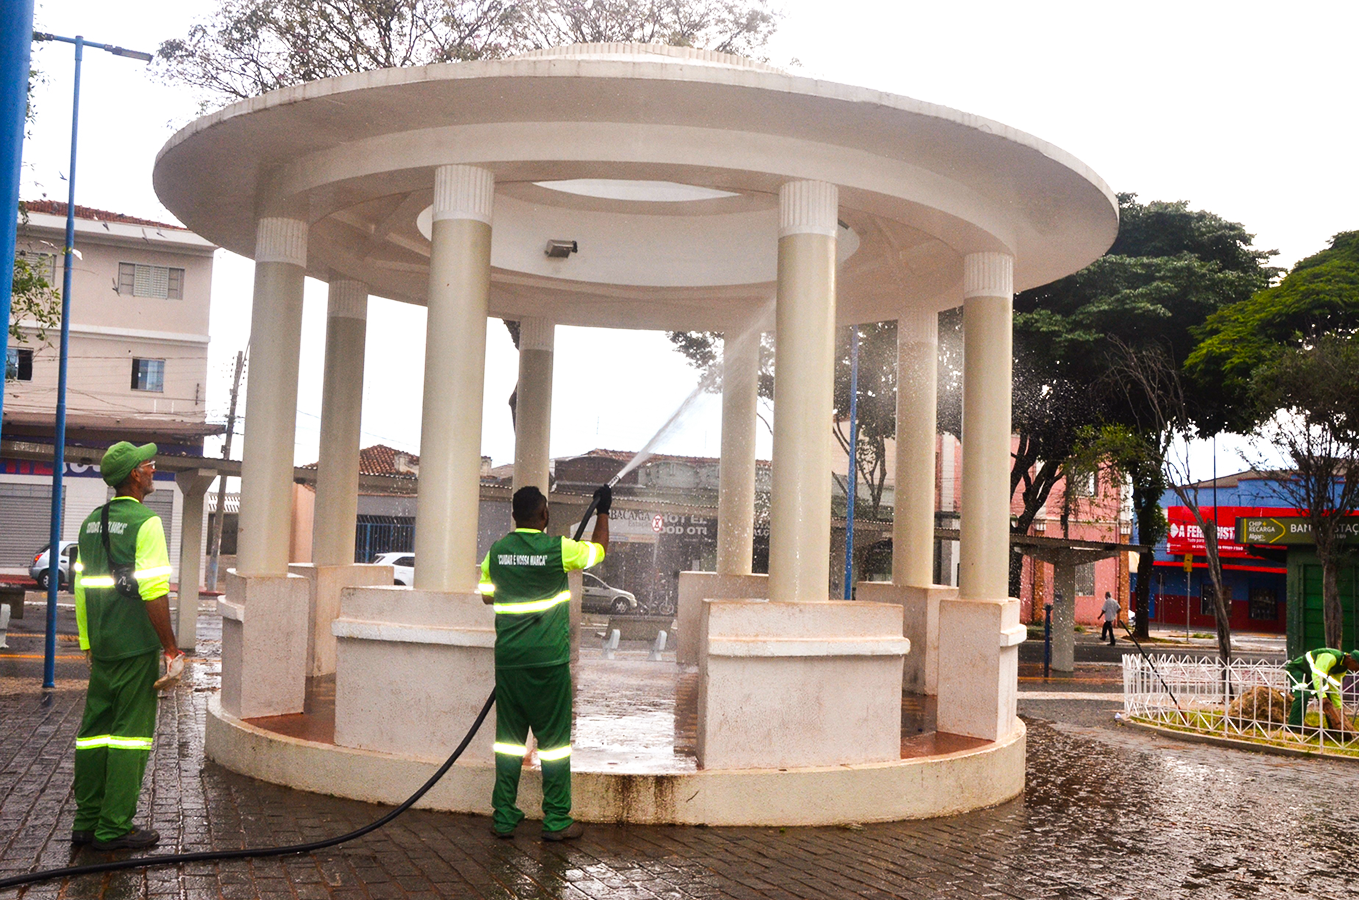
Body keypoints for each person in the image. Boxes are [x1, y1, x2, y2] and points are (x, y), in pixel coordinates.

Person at [478, 483, 611, 841]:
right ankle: (555, 820)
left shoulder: (497, 552)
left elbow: (488, 598)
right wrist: (604, 511)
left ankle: (504, 816)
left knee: (508, 742)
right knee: (553, 742)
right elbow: (598, 551)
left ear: (514, 516)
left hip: (509, 663)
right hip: (548, 663)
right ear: (545, 515)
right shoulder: (558, 550)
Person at [72, 442, 185, 851]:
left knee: (94, 733)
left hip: (101, 647)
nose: (153, 470)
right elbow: (154, 591)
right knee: (129, 737)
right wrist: (171, 649)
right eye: (149, 466)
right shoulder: (146, 523)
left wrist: (87, 639)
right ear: (135, 476)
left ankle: (86, 821)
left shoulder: (90, 523)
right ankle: (114, 827)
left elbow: (81, 590)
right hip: (134, 648)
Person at [1284, 647, 1359, 729]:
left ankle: (1335, 728)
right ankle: (1294, 726)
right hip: (1298, 670)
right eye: (1358, 667)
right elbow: (1318, 676)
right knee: (1303, 694)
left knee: (1329, 699)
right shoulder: (1330, 657)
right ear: (1352, 660)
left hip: (1312, 676)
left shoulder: (1342, 669)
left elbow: (1333, 689)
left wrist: (1339, 708)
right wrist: (1322, 696)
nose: (1356, 670)